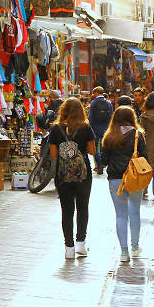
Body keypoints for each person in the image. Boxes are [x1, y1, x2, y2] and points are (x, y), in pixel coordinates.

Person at [49, 98, 96, 258]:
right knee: (83, 208)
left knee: (66, 210)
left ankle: (69, 248)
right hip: (83, 174)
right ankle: (81, 244)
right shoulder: (85, 127)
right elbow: (92, 151)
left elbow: (53, 154)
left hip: (62, 175)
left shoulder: (55, 129)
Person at [101, 106, 148, 262]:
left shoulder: (109, 136)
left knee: (120, 215)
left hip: (115, 179)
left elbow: (104, 161)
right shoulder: (137, 135)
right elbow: (145, 157)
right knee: (135, 212)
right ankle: (135, 247)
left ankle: (123, 252)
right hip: (134, 178)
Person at [88, 86, 113, 175]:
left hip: (95, 128)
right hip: (106, 128)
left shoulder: (93, 102)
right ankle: (103, 163)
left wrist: (89, 127)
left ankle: (99, 164)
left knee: (94, 148)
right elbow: (111, 116)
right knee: (104, 147)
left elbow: (90, 117)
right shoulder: (109, 103)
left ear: (96, 93)